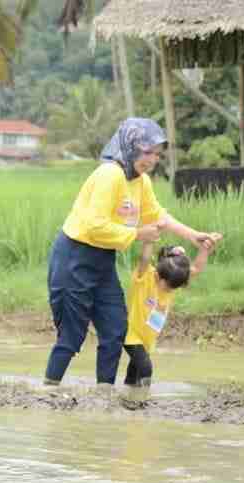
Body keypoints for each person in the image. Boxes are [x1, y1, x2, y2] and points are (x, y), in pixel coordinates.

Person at [44, 118, 217, 389]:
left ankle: (104, 395)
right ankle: (49, 390)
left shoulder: (141, 182)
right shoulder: (108, 175)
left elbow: (157, 216)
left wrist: (193, 235)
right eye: (147, 151)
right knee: (71, 335)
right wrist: (138, 234)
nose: (152, 160)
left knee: (114, 330)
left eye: (157, 154)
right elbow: (94, 225)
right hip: (74, 257)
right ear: (130, 145)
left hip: (103, 261)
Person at [122, 235, 222, 403]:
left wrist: (204, 250)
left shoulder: (173, 279)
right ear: (159, 276)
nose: (170, 290)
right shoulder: (145, 277)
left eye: (174, 288)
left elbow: (196, 268)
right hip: (131, 335)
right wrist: (150, 238)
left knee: (135, 371)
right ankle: (141, 400)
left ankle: (127, 395)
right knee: (146, 367)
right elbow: (145, 258)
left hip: (147, 339)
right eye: (168, 286)